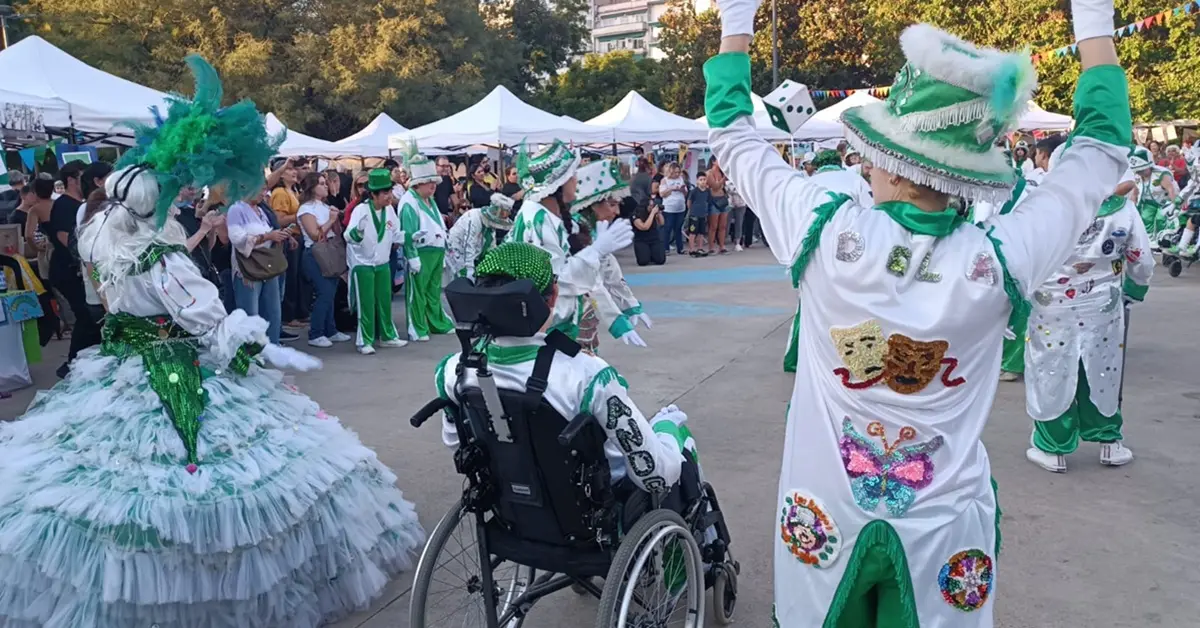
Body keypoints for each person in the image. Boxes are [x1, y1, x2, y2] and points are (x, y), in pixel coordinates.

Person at [705, 0, 1130, 622]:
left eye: (871, 154)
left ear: (892, 163)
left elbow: (732, 131)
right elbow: (1100, 147)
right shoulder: (1000, 259)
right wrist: (1095, 19)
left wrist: (735, 22)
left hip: (823, 512)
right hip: (943, 523)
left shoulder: (823, 233)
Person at [0, 54, 424, 628]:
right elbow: (210, 323)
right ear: (160, 203)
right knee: (215, 488)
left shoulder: (98, 235)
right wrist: (264, 351)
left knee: (94, 486)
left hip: (116, 365)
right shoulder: (163, 257)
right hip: (173, 365)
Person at [436, 242, 692, 495]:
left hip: (507, 504)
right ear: (553, 296)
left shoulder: (453, 371)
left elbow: (456, 443)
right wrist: (668, 430)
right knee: (681, 445)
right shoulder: (587, 376)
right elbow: (653, 477)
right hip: (593, 507)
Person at [1023, 145, 1155, 473]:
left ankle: (1052, 447)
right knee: (1103, 368)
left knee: (1051, 369)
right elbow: (1142, 260)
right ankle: (1110, 441)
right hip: (1103, 303)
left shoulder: (1044, 209)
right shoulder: (1123, 211)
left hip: (1051, 303)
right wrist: (1135, 290)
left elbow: (1023, 255)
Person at [507, 140, 634, 342]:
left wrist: (624, 310)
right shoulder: (537, 219)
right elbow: (555, 281)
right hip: (545, 330)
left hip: (555, 324)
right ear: (558, 182)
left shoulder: (546, 216)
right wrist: (595, 252)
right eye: (572, 175)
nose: (577, 180)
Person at [781, 149, 873, 373]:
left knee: (810, 303)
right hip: (850, 249)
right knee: (850, 304)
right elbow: (872, 214)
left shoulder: (807, 182)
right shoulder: (855, 179)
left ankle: (803, 356)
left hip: (810, 249)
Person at [569, 159, 652, 351]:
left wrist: (630, 305)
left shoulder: (592, 228)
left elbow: (609, 268)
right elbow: (590, 281)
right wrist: (617, 321)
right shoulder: (572, 230)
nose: (617, 211)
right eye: (612, 204)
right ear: (592, 204)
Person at [397, 144, 454, 342]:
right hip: (421, 253)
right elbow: (407, 232)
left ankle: (437, 323)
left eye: (434, 182)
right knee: (418, 293)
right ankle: (417, 327)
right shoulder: (408, 202)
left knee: (433, 291)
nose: (433, 185)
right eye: (428, 182)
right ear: (417, 183)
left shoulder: (431, 200)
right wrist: (412, 256)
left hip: (436, 251)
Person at [346, 169, 407, 354]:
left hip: (382, 262)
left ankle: (387, 336)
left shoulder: (389, 210)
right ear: (373, 194)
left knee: (384, 301)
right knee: (366, 303)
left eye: (390, 191)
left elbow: (396, 233)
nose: (390, 196)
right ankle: (364, 341)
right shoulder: (361, 210)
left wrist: (412, 237)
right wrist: (359, 231)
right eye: (385, 193)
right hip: (362, 263)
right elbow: (348, 236)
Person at [47, 160, 95, 378]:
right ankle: (72, 363)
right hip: (68, 270)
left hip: (81, 269)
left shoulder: (82, 204)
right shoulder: (64, 205)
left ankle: (84, 359)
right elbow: (64, 237)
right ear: (71, 180)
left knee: (91, 315)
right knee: (85, 314)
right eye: (81, 178)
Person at [297, 171, 352, 348]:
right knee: (324, 292)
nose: (325, 186)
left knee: (331, 291)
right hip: (315, 253)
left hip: (330, 249)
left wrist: (335, 220)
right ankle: (316, 332)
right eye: (321, 183)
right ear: (312, 188)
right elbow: (314, 235)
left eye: (325, 183)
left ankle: (331, 329)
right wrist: (331, 220)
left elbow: (333, 230)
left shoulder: (324, 206)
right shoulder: (306, 209)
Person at [269, 164, 307, 331]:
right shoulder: (279, 193)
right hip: (288, 237)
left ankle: (297, 312)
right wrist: (300, 216)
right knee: (290, 277)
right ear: (280, 175)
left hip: (296, 236)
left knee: (297, 276)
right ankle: (288, 315)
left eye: (294, 169)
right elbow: (279, 219)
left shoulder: (294, 191)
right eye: (289, 169)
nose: (294, 172)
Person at [445, 193, 514, 280]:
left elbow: (491, 246)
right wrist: (469, 268)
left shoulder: (489, 226)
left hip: (471, 256)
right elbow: (469, 244)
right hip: (455, 252)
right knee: (459, 281)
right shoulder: (474, 217)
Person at [1130, 146, 1180, 245]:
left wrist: (1175, 205)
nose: (1140, 173)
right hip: (1148, 202)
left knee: (1160, 219)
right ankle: (1149, 241)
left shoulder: (1161, 174)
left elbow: (1171, 190)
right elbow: (1134, 192)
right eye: (1138, 171)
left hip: (1164, 201)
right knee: (1145, 218)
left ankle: (1163, 241)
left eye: (1142, 170)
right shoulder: (1136, 176)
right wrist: (1132, 207)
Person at [633, 181, 666, 266]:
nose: (652, 207)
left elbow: (662, 223)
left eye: (653, 205)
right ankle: (647, 253)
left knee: (660, 260)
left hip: (654, 238)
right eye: (650, 206)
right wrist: (652, 214)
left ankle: (652, 254)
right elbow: (644, 227)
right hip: (641, 240)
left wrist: (658, 213)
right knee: (643, 262)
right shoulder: (637, 214)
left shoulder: (654, 212)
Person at [659, 162, 688, 255]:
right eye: (675, 172)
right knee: (668, 227)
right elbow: (662, 194)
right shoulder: (664, 180)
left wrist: (682, 189)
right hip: (669, 207)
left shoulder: (681, 179)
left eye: (678, 172)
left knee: (678, 228)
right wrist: (671, 188)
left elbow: (685, 193)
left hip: (680, 207)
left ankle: (680, 248)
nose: (677, 174)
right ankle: (665, 247)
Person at [707, 163, 732, 254]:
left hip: (723, 199)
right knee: (713, 226)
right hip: (714, 200)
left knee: (723, 225)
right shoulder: (709, 173)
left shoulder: (722, 172)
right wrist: (723, 179)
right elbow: (715, 186)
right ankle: (711, 247)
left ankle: (722, 246)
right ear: (713, 161)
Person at [685, 172, 711, 257]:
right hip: (694, 215)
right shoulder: (694, 191)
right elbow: (689, 202)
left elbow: (708, 201)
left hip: (703, 215)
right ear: (697, 181)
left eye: (704, 179)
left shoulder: (707, 191)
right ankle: (692, 249)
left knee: (701, 233)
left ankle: (700, 248)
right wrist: (691, 210)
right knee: (693, 232)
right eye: (701, 180)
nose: (703, 181)